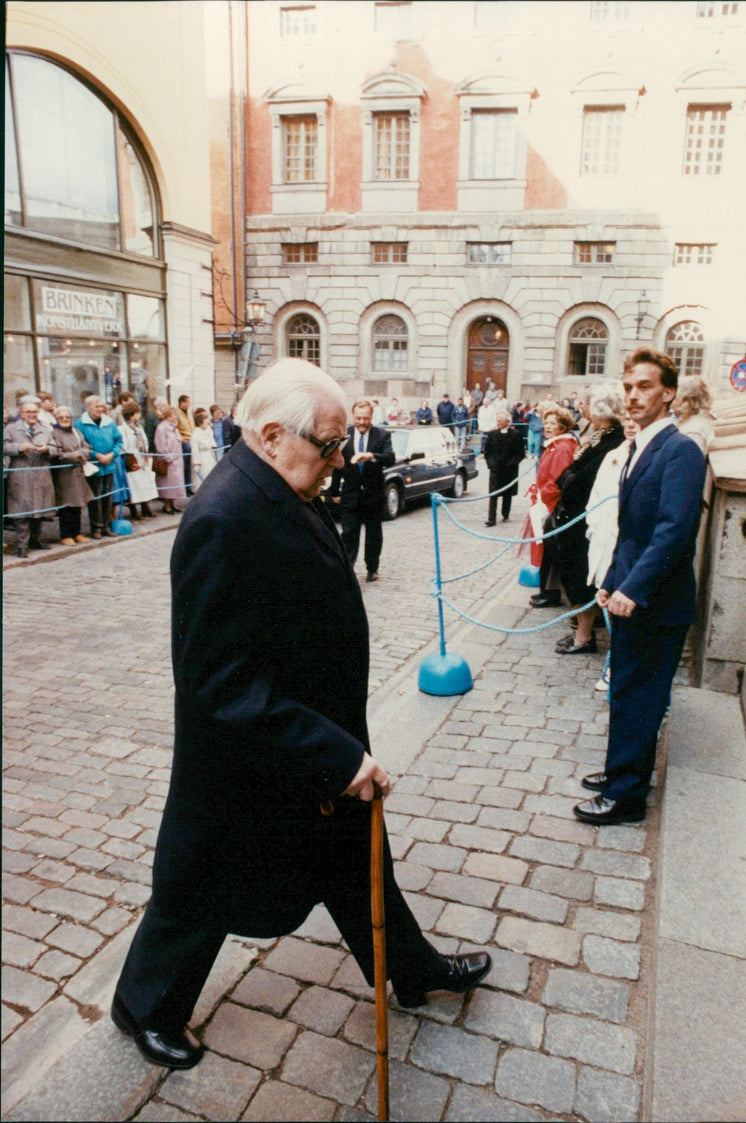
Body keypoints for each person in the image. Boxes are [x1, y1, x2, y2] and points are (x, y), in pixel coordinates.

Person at [110, 357, 492, 1070]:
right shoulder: (223, 517)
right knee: (197, 891)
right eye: (329, 444)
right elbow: (218, 682)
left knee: (355, 860)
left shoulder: (282, 474)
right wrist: (337, 754)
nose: (340, 459)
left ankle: (409, 969)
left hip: (313, 737)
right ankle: (145, 1006)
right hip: (256, 754)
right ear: (273, 433)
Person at [574, 349, 707, 826]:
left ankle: (625, 796)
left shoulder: (682, 450)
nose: (633, 395)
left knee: (640, 696)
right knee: (625, 693)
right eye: (628, 386)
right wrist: (610, 583)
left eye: (644, 386)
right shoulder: (640, 445)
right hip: (630, 592)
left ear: (668, 392)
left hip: (657, 602)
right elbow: (630, 531)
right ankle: (620, 772)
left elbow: (674, 531)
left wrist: (635, 588)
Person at [551, 382, 627, 654]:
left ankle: (584, 637)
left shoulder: (612, 441)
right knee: (575, 578)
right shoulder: (598, 436)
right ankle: (580, 633)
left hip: (584, 523)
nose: (583, 408)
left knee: (582, 579)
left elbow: (576, 481)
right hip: (575, 520)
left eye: (588, 403)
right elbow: (566, 475)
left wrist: (571, 476)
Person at [585, 412, 640, 692]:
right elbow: (596, 497)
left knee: (625, 612)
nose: (631, 424)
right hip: (606, 541)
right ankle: (616, 664)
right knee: (608, 602)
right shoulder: (613, 456)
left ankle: (618, 668)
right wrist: (593, 528)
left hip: (629, 547)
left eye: (636, 419)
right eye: (627, 419)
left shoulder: (651, 456)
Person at [330, 399, 395, 583]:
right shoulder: (345, 435)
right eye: (358, 418)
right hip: (350, 495)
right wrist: (335, 491)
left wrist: (371, 456)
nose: (362, 422)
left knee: (373, 535)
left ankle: (372, 568)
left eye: (365, 418)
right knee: (349, 534)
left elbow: (390, 458)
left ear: (371, 417)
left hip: (373, 496)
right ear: (353, 416)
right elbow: (336, 464)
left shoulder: (381, 435)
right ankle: (347, 569)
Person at [522, 405, 579, 607]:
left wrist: (541, 494)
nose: (547, 426)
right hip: (548, 501)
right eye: (546, 423)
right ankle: (549, 590)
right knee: (548, 549)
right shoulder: (556, 445)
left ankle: (551, 592)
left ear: (562, 426)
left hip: (553, 504)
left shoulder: (563, 447)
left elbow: (558, 479)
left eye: (552, 423)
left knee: (551, 549)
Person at [4, 397, 56, 557]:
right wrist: (19, 447)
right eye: (28, 412)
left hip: (41, 474)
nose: (32, 415)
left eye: (35, 411)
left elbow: (55, 448)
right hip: (21, 474)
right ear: (22, 413)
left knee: (39, 509)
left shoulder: (45, 429)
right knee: (21, 511)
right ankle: (22, 545)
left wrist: (47, 449)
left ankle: (36, 539)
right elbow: (4, 446)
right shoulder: (12, 429)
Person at [74, 395, 123, 539]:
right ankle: (95, 527)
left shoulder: (109, 422)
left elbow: (119, 440)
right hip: (93, 466)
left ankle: (106, 526)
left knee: (108, 497)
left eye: (102, 406)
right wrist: (97, 455)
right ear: (88, 407)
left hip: (109, 465)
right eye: (97, 406)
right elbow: (81, 444)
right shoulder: (80, 424)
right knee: (94, 498)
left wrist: (112, 454)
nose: (101, 409)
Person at [48, 405, 93, 544]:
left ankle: (77, 532)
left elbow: (87, 447)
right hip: (64, 475)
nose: (64, 419)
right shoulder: (54, 433)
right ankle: (65, 535)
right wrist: (75, 455)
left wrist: (83, 454)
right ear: (56, 419)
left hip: (78, 474)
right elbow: (57, 453)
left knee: (78, 504)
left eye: (67, 417)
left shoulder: (77, 431)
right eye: (61, 417)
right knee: (66, 505)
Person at [484, 409, 526, 527]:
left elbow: (520, 453)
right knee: (493, 494)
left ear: (507, 422)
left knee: (507, 493)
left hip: (509, 469)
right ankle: (491, 518)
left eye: (500, 420)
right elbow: (487, 452)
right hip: (495, 470)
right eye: (497, 420)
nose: (498, 422)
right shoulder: (492, 435)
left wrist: (512, 464)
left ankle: (505, 514)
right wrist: (491, 465)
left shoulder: (516, 435)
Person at [119, 401, 157, 519]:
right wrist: (131, 454)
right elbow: (123, 445)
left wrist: (145, 452)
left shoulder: (139, 427)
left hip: (142, 457)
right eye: (137, 414)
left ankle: (145, 506)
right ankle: (134, 510)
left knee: (145, 484)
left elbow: (144, 441)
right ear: (130, 415)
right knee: (133, 485)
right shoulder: (122, 429)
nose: (139, 416)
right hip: (132, 459)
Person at [154, 406, 186, 514]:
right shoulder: (161, 428)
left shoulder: (173, 426)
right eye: (173, 414)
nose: (175, 416)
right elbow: (160, 445)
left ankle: (173, 503)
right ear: (167, 416)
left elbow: (179, 439)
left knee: (175, 483)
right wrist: (169, 458)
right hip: (169, 460)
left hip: (177, 459)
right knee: (167, 483)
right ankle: (166, 505)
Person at [675, 375, 715, 456]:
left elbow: (689, 463)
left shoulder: (694, 431)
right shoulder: (692, 422)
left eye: (683, 400)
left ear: (694, 402)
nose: (678, 404)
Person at [190, 408, 218, 490]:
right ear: (200, 423)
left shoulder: (208, 431)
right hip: (202, 460)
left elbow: (212, 440)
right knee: (202, 480)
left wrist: (213, 445)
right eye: (206, 422)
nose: (208, 423)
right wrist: (196, 464)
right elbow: (194, 450)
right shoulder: (195, 435)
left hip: (209, 457)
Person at [176, 394, 195, 495]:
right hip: (185, 442)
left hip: (192, 440)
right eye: (187, 402)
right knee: (185, 466)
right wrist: (182, 439)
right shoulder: (176, 414)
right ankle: (184, 488)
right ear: (181, 402)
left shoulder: (189, 413)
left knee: (190, 466)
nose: (189, 404)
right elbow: (175, 428)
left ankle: (189, 487)